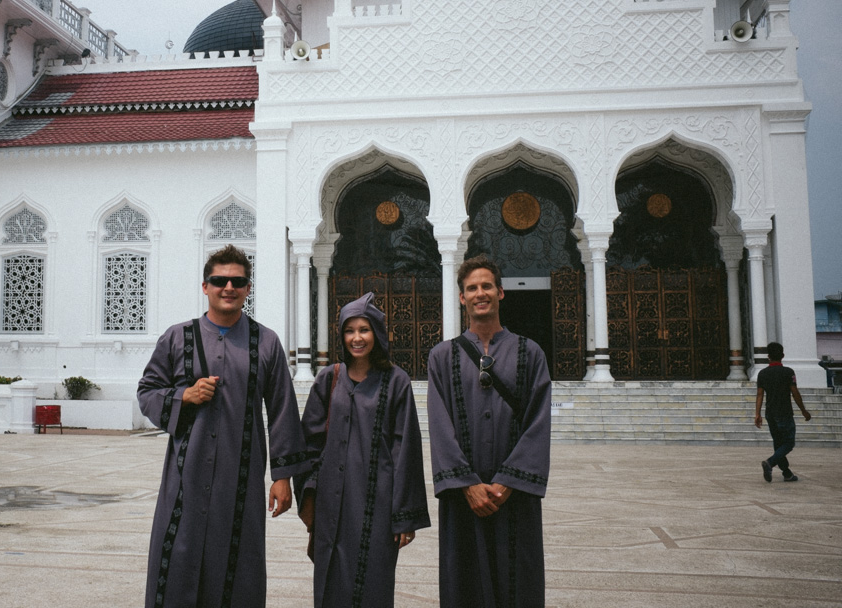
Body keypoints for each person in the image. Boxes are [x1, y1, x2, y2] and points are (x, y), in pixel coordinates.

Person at [137, 244, 309, 608]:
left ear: (248, 288)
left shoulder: (265, 342)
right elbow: (148, 391)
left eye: (237, 281)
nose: (228, 288)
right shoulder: (176, 337)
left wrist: (282, 477)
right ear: (205, 286)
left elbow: (281, 408)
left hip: (241, 478)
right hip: (185, 477)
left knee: (237, 563)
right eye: (219, 280)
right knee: (178, 559)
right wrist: (184, 396)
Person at [427, 254, 551, 607]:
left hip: (514, 498)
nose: (480, 293)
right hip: (462, 497)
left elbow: (538, 422)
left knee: (517, 582)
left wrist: (507, 483)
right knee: (464, 580)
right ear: (462, 297)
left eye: (486, 286)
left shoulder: (530, 353)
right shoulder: (441, 357)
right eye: (471, 288)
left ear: (500, 292)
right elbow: (439, 424)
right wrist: (467, 485)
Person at [296, 292, 430, 607]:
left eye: (364, 329)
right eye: (350, 330)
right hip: (332, 507)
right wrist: (313, 488)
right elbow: (309, 442)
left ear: (377, 334)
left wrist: (404, 515)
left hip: (378, 505)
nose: (357, 338)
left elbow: (405, 449)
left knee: (374, 582)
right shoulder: (329, 378)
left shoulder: (396, 381)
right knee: (331, 585)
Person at [754, 341, 812, 483]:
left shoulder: (762, 373)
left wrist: (757, 414)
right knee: (788, 443)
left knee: (778, 443)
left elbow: (760, 395)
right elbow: (794, 392)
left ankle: (787, 473)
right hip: (784, 412)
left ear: (768, 356)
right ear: (782, 355)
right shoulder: (788, 372)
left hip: (770, 413)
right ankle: (770, 462)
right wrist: (803, 410)